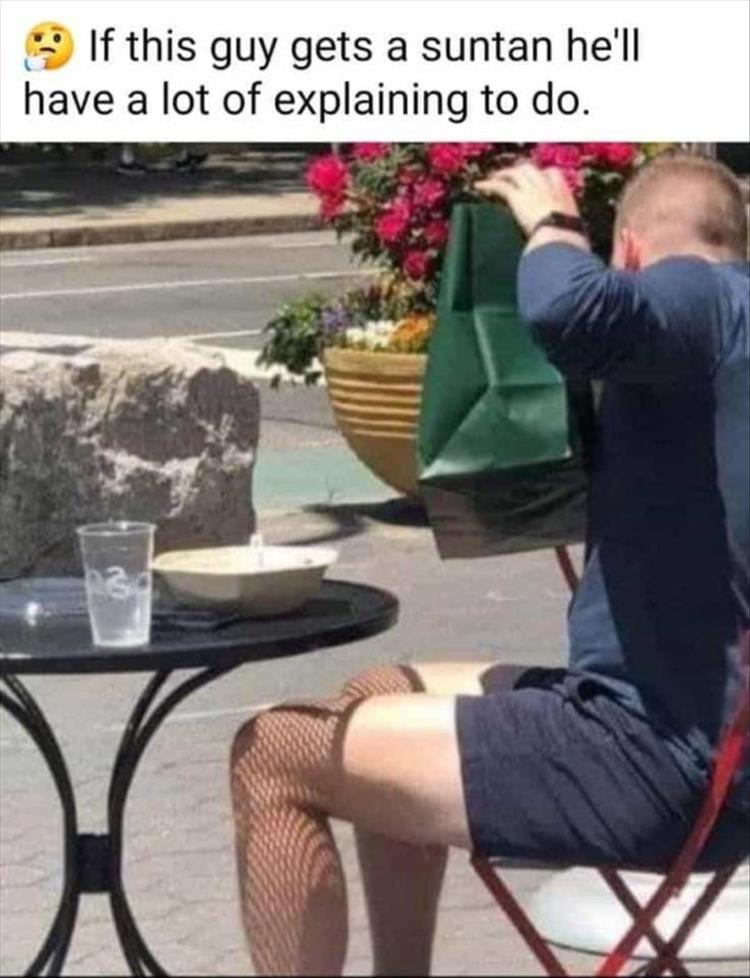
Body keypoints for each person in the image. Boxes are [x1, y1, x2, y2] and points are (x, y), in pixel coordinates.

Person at [230, 153, 749, 977]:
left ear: (631, 251)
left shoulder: (702, 294)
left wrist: (555, 225)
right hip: (701, 743)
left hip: (653, 760)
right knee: (379, 694)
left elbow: (571, 309)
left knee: (271, 750)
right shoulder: (722, 346)